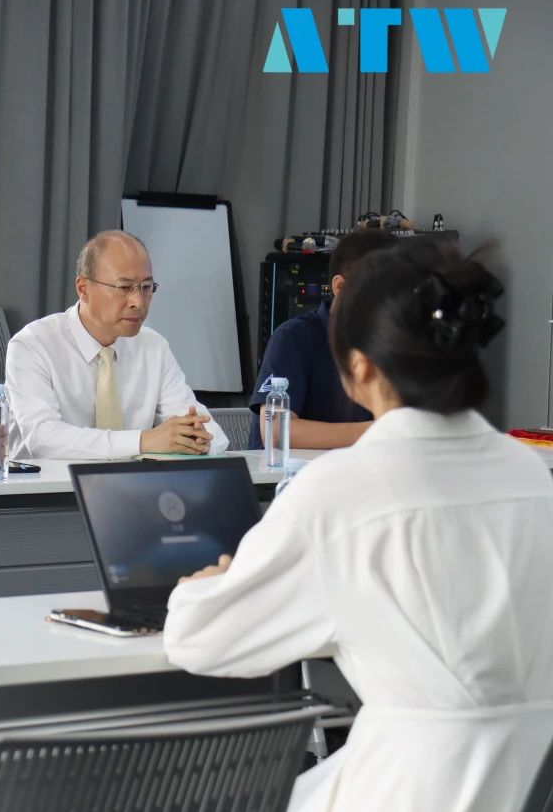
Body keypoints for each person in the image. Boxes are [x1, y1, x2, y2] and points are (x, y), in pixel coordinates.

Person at [164, 240, 553, 809]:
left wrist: (208, 587)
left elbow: (202, 641)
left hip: (403, 789)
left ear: (360, 365)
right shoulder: (531, 474)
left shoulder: (339, 492)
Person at [6, 230, 227, 459]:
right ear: (83, 289)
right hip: (49, 481)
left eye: (146, 287)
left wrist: (197, 438)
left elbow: (210, 432)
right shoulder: (33, 345)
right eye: (124, 288)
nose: (138, 302)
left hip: (134, 481)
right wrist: (143, 441)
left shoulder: (154, 347)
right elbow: (42, 438)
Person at [248, 229, 397, 450]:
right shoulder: (293, 338)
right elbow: (277, 431)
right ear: (339, 286)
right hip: (290, 472)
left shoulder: (391, 343)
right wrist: (379, 432)